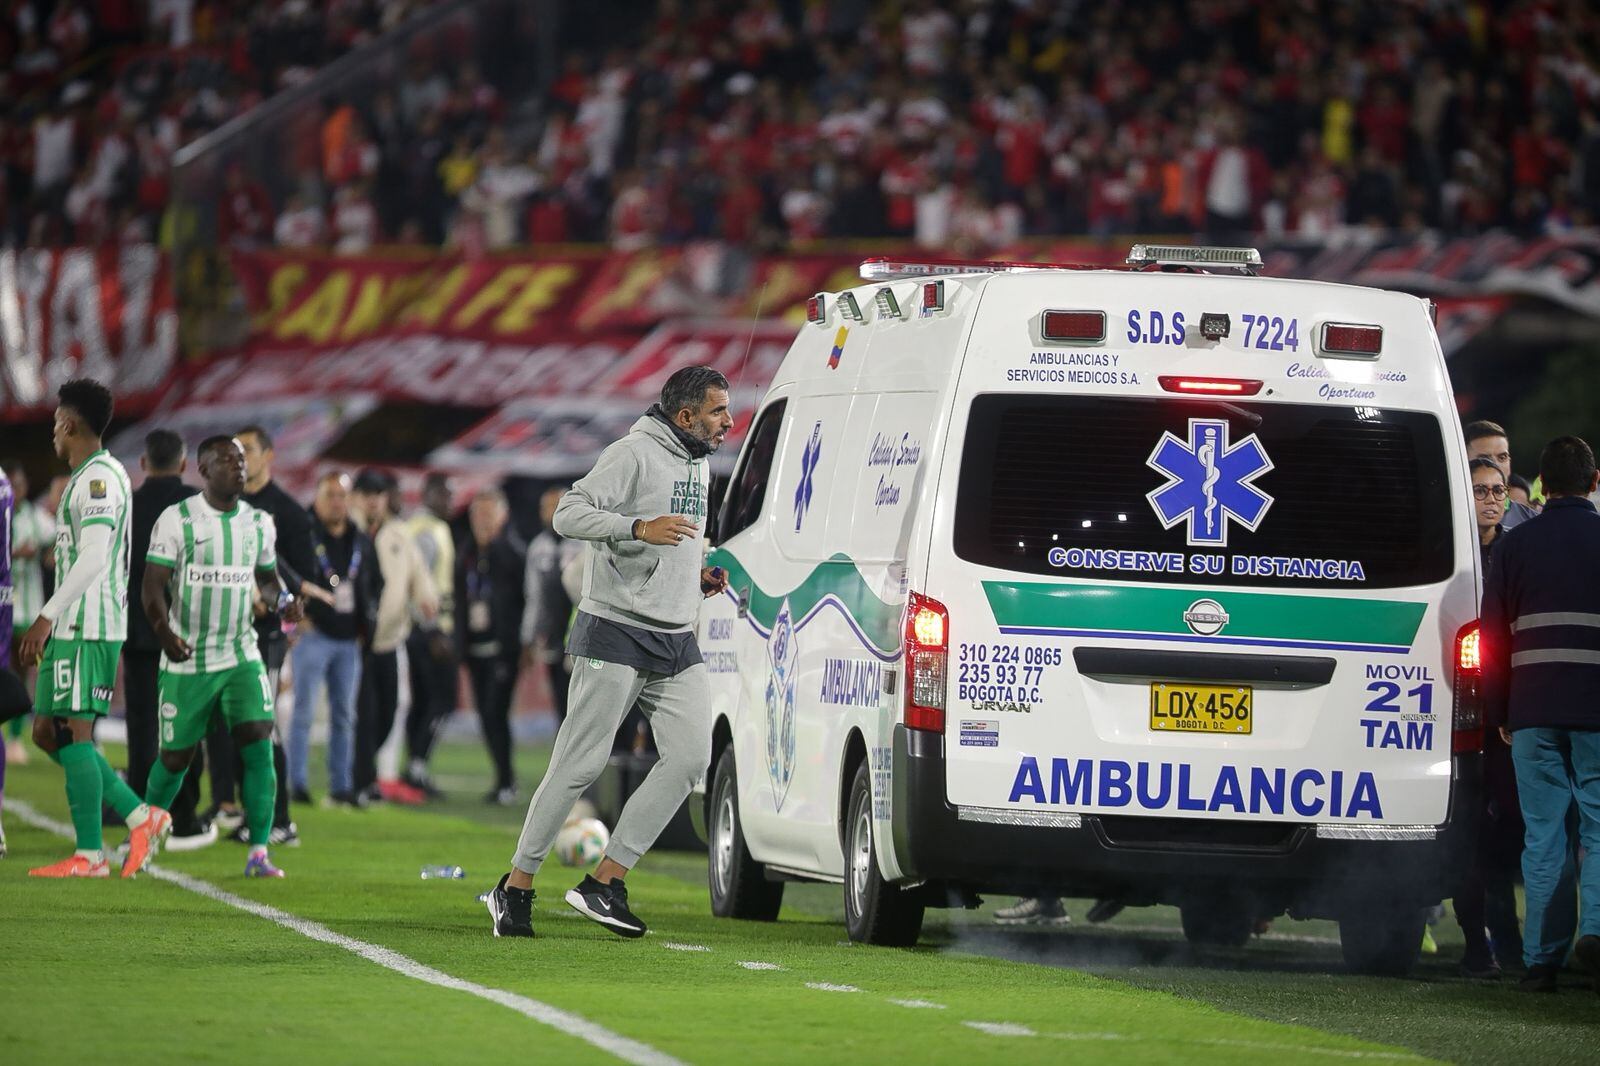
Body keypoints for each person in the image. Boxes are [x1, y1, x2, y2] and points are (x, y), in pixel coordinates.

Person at [486, 366, 732, 939]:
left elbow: (682, 538)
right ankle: (515, 887)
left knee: (691, 759)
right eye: (718, 411)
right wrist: (638, 528)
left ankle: (604, 882)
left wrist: (694, 573)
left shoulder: (699, 461)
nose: (728, 421)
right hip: (616, 629)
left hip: (676, 635)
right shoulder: (634, 452)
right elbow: (568, 513)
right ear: (686, 415)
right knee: (579, 764)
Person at [133, 436, 302, 878]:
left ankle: (260, 851)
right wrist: (164, 632)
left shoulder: (259, 523)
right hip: (188, 657)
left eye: (242, 461)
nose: (239, 468)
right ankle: (145, 833)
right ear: (203, 470)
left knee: (258, 739)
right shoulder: (178, 520)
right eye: (228, 461)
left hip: (240, 651)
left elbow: (267, 580)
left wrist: (284, 601)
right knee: (175, 758)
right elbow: (152, 587)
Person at [19, 378, 163, 879]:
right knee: (45, 732)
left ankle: (91, 855)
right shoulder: (86, 476)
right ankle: (141, 815)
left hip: (88, 622)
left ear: (69, 423)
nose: (52, 433)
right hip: (73, 624)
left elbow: (96, 557)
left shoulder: (100, 478)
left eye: (56, 422)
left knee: (74, 733)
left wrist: (46, 615)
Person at [1482, 435, 1600, 992]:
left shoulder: (1513, 547)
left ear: (1542, 488)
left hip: (1531, 708)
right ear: (1594, 484)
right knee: (1599, 830)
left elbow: (1492, 640)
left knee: (1544, 833)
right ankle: (1596, 934)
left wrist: (1499, 708)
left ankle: (1540, 962)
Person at [121, 429, 212, 851]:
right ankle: (185, 815)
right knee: (186, 724)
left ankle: (141, 815)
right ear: (183, 463)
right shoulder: (199, 506)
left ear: (143, 464)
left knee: (142, 728)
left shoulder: (127, 506)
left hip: (137, 633)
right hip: (187, 634)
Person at [1452, 458, 1524, 977]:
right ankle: (1479, 945)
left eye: (1498, 490)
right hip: (1464, 714)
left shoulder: (1516, 553)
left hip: (1507, 712)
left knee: (1504, 840)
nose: (1493, 499)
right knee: (1471, 839)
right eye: (1480, 491)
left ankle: (1515, 948)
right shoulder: (1450, 552)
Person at [238, 423, 324, 843]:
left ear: (268, 455)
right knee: (239, 726)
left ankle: (282, 819)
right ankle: (249, 813)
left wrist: (289, 631)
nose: (240, 457)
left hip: (269, 634)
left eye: (247, 449)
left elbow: (299, 582)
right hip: (232, 633)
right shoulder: (230, 504)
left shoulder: (285, 512)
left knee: (265, 725)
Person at [289, 471, 380, 809]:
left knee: (344, 715)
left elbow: (375, 582)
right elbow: (287, 577)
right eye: (330, 495)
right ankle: (296, 783)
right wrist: (299, 619)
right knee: (303, 712)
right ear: (316, 498)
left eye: (342, 496)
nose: (337, 503)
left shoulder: (360, 538)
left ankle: (340, 785)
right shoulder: (303, 534)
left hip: (348, 640)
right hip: (314, 636)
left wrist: (367, 623)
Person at [352, 468, 437, 804]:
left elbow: (418, 575)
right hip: (354, 642)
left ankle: (363, 772)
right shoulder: (348, 531)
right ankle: (361, 779)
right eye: (366, 495)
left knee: (388, 711)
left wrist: (426, 597)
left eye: (378, 495)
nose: (373, 502)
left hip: (388, 639)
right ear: (356, 498)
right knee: (362, 712)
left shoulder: (400, 535)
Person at [457, 489, 525, 806]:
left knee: (496, 713)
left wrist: (521, 643)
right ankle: (502, 779)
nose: (481, 521)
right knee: (486, 715)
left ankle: (507, 780)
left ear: (503, 516)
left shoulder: (512, 553)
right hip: (475, 648)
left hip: (502, 648)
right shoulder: (467, 553)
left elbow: (524, 601)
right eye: (476, 514)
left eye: (488, 514)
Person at [402, 472, 456, 796]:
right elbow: (417, 585)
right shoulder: (426, 532)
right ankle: (417, 766)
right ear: (429, 494)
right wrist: (433, 630)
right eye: (445, 495)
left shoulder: (425, 528)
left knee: (423, 702)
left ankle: (413, 767)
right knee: (441, 701)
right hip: (429, 632)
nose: (450, 502)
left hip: (422, 630)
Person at [521, 485, 582, 722]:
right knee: (561, 702)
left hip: (583, 637)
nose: (551, 512)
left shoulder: (585, 541)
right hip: (554, 638)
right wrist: (528, 638)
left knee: (584, 702)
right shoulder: (538, 548)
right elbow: (533, 597)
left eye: (556, 506)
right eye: (546, 507)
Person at [6, 459, 47, 765]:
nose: (17, 491)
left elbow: (59, 536)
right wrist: (12, 553)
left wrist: (52, 554)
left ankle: (14, 740)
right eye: (11, 485)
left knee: (21, 675)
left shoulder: (35, 517)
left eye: (20, 485)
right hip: (4, 608)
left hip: (27, 610)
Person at [1465, 420, 1538, 530]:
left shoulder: (1532, 522)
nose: (1496, 466)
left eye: (1502, 457)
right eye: (1485, 459)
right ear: (1462, 461)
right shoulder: (1447, 517)